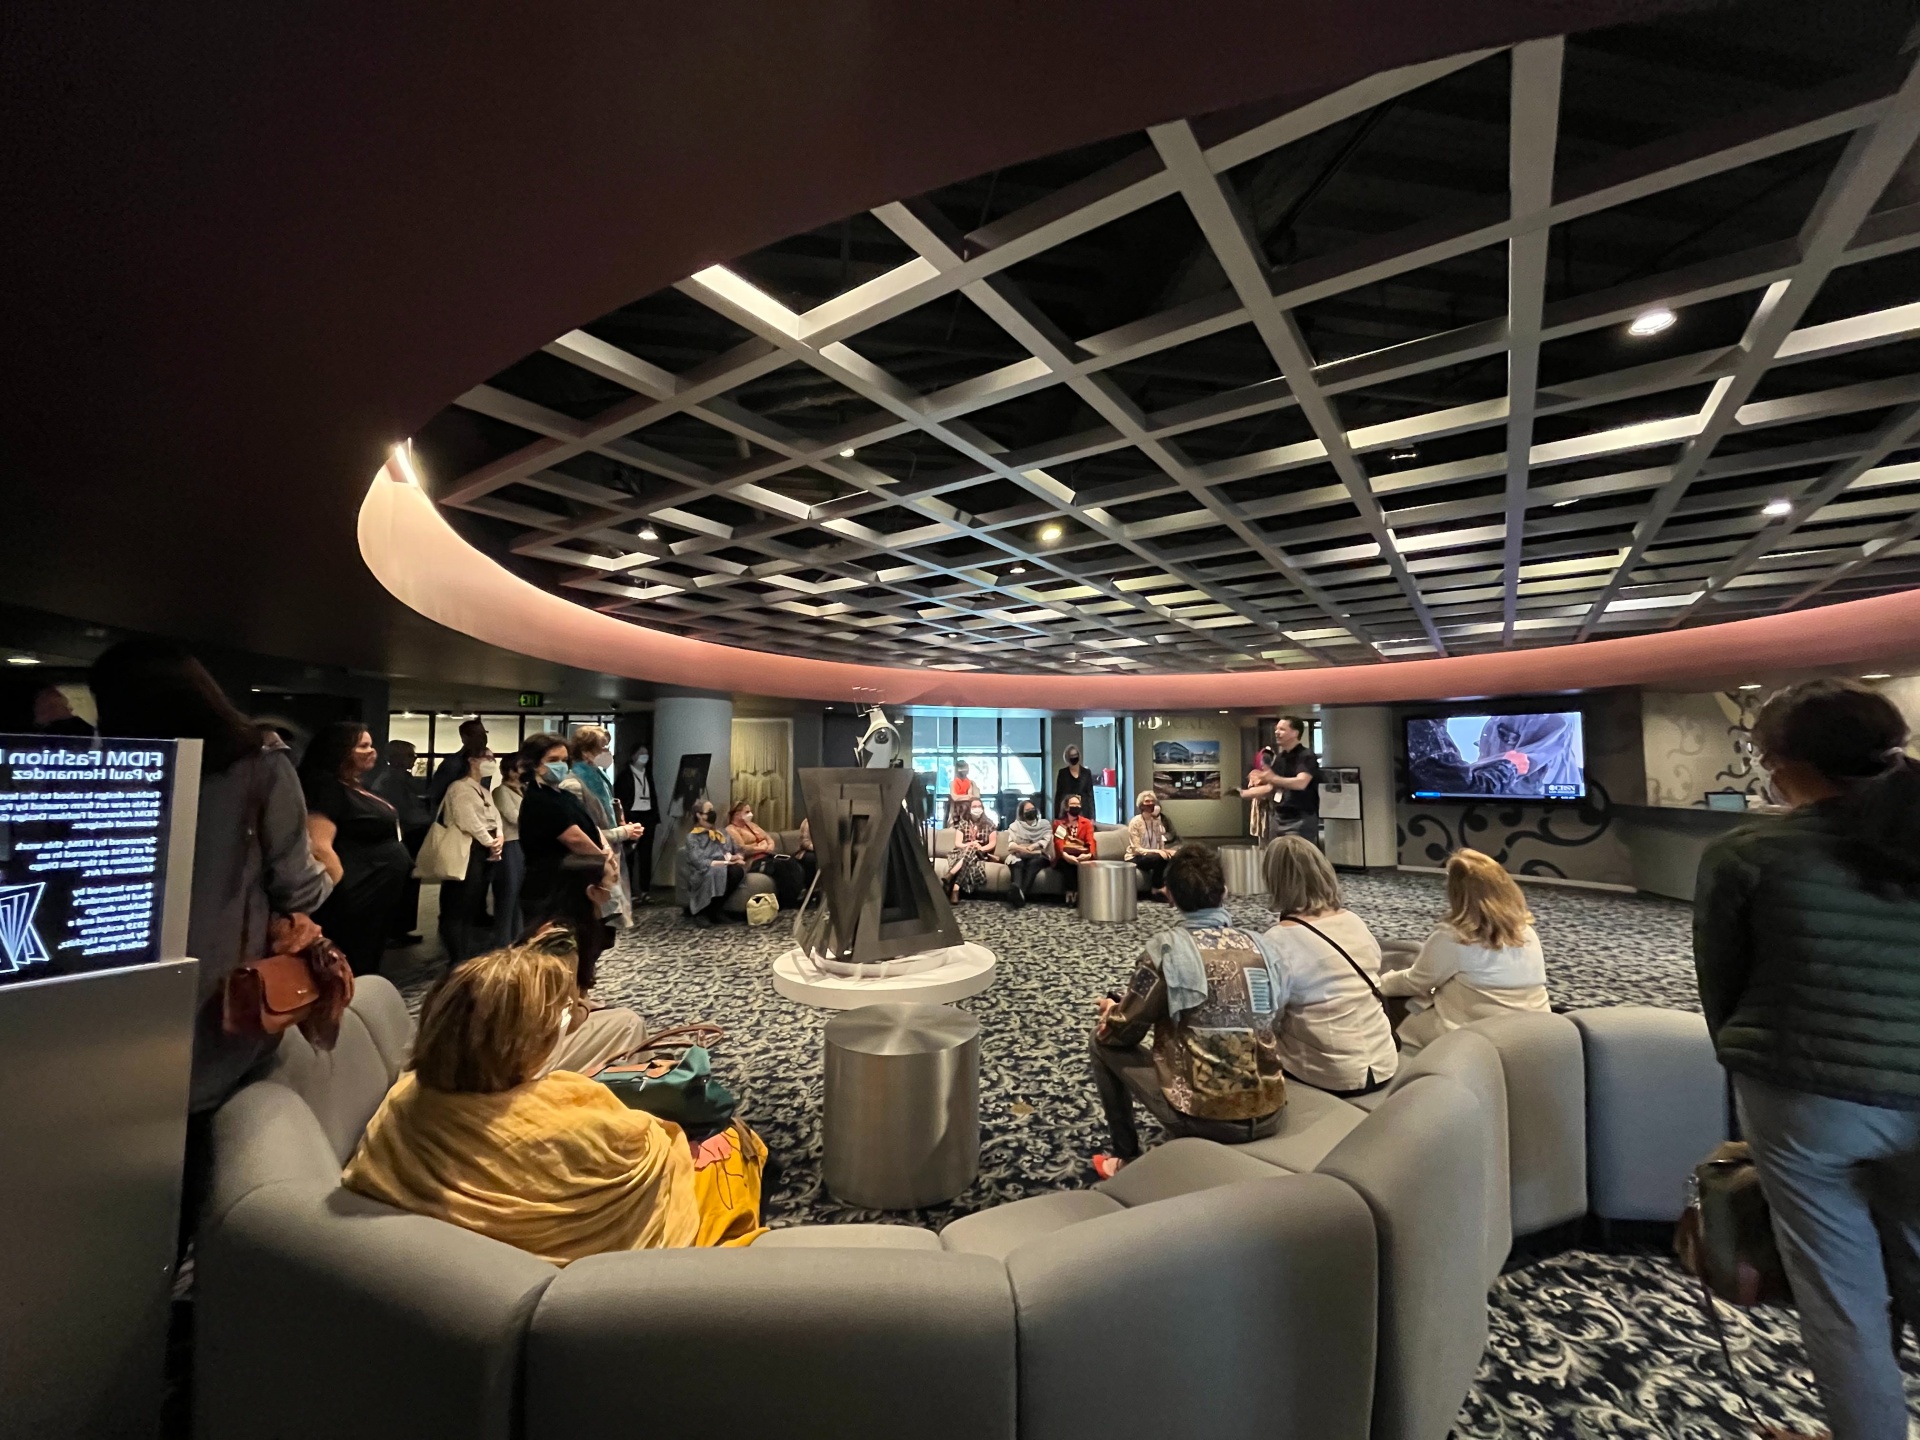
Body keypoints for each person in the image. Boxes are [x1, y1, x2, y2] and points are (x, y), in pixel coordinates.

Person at [1693, 679, 1920, 1440]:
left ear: (1784, 762)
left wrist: (1746, 1059)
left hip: (1804, 1102)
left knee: (1841, 1297)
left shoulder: (1751, 851)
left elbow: (1722, 989)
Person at [90, 639, 332, 1245]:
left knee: (115, 1145)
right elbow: (297, 884)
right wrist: (329, 863)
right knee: (211, 1145)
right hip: (217, 991)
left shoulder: (107, 761)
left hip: (112, 978)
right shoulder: (256, 764)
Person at [341, 940, 764, 1264]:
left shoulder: (405, 1097)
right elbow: (652, 1148)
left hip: (469, 1269)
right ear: (521, 1043)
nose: (574, 1019)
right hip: (595, 1279)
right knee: (728, 1143)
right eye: (564, 1015)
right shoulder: (569, 1121)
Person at [1088, 843, 1290, 1176]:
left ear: (1169, 896)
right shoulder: (1264, 947)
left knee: (1101, 1041)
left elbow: (1125, 1032)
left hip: (1202, 1117)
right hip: (1271, 1108)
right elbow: (1274, 1016)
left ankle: (1124, 1158)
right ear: (1224, 891)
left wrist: (1113, 1011)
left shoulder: (1166, 951)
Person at [1259, 837, 1397, 1097]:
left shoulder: (1277, 940)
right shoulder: (1355, 922)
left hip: (1327, 1071)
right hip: (1384, 1060)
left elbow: (1269, 1013)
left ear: (1274, 881)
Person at [1379, 849, 1550, 1049]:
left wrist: (1381, 982)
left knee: (1393, 1000)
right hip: (1537, 1030)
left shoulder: (1454, 937)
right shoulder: (1526, 931)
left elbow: (1416, 983)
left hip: (1477, 1035)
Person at [299, 721, 413, 976]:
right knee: (350, 965)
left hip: (373, 899)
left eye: (372, 745)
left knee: (366, 961)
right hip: (354, 899)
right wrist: (344, 895)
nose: (372, 751)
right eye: (363, 746)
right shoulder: (326, 787)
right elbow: (319, 847)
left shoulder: (353, 785)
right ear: (341, 750)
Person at [515, 732, 617, 990]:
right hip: (551, 888)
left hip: (578, 883)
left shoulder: (564, 796)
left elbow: (590, 828)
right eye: (552, 759)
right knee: (556, 949)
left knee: (586, 943)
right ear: (535, 764)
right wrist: (602, 860)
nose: (560, 765)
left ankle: (579, 994)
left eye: (563, 759)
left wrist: (606, 854)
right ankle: (558, 1001)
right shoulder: (539, 801)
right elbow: (574, 839)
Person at [562, 726, 642, 929]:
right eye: (602, 748)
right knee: (596, 921)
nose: (607, 753)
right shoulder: (574, 783)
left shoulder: (601, 778)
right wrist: (622, 833)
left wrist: (622, 824)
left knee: (610, 922)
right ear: (586, 752)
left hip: (611, 856)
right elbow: (582, 831)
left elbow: (607, 817)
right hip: (592, 861)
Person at [440, 748, 504, 962]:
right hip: (468, 849)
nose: (491, 762)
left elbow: (495, 816)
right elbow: (467, 820)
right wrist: (489, 841)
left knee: (472, 902)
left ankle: (467, 951)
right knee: (458, 904)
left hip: (484, 850)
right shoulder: (459, 787)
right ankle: (457, 956)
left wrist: (499, 837)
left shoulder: (483, 790)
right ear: (472, 760)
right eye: (487, 758)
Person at [368, 739, 430, 945]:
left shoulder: (399, 779)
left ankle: (400, 929)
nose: (415, 759)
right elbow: (403, 812)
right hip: (404, 837)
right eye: (410, 755)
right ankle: (394, 931)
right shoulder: (391, 782)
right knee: (402, 886)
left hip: (407, 835)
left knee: (409, 885)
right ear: (396, 758)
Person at [1239, 717, 1322, 845]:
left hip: (1300, 818)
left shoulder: (1305, 755)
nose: (1277, 732)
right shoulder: (1280, 758)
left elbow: (1301, 783)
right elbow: (1271, 787)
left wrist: (1271, 777)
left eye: (1282, 729)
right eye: (1276, 729)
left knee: (1297, 858)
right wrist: (1244, 793)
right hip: (1279, 817)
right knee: (1277, 857)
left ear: (1295, 733)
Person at [726, 799, 804, 910]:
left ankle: (797, 895)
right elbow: (742, 849)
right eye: (747, 812)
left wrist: (769, 846)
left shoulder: (751, 825)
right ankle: (787, 902)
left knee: (789, 861)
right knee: (778, 866)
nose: (750, 814)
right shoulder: (731, 830)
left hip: (767, 854)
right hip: (752, 861)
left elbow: (768, 838)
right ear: (737, 814)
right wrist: (760, 848)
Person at [680, 799, 746, 927]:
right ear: (699, 815)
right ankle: (702, 913)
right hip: (704, 870)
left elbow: (736, 849)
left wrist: (737, 857)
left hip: (723, 867)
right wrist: (719, 863)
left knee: (737, 872)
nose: (713, 814)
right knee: (713, 872)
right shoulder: (692, 837)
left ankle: (715, 910)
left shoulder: (721, 833)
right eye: (709, 811)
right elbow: (698, 861)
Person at [613, 740, 659, 904]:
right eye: (640, 754)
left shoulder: (648, 773)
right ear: (633, 756)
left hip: (648, 816)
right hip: (632, 816)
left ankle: (645, 891)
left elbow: (653, 796)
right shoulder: (624, 775)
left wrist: (655, 816)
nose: (644, 757)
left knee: (646, 855)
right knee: (630, 856)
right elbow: (619, 797)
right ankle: (630, 892)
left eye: (646, 754)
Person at [490, 754, 526, 947]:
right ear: (511, 771)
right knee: (508, 893)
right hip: (510, 843)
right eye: (520, 767)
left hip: (521, 842)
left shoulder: (522, 790)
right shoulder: (501, 791)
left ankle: (518, 937)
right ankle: (503, 942)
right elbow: (514, 817)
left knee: (519, 894)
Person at [426, 716, 488, 813]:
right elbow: (436, 793)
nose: (482, 738)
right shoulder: (452, 763)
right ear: (464, 738)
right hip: (453, 813)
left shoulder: (485, 763)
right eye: (476, 735)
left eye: (483, 734)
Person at [1124, 790, 1177, 899]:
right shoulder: (1135, 822)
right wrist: (1158, 852)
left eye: (1152, 801)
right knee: (1159, 858)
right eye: (1147, 801)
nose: (1150, 803)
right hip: (1135, 856)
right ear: (1141, 805)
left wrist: (1164, 851)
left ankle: (1167, 888)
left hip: (1151, 854)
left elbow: (1159, 841)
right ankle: (1156, 888)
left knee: (1172, 857)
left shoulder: (1156, 821)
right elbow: (1136, 848)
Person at [944, 797, 997, 903]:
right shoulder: (963, 823)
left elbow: (992, 843)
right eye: (974, 806)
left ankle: (951, 875)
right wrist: (970, 845)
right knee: (971, 848)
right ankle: (956, 889)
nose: (977, 808)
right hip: (961, 852)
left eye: (979, 806)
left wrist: (981, 848)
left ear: (983, 808)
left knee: (974, 849)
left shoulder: (989, 824)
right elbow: (958, 843)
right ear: (969, 809)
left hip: (980, 854)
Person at [1051, 791, 1096, 904]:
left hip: (1081, 854)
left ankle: (1074, 894)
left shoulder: (1086, 823)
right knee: (1068, 864)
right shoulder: (1059, 823)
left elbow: (1090, 840)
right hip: (1063, 856)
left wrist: (1089, 854)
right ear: (1066, 807)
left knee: (1077, 863)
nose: (1076, 807)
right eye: (1073, 804)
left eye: (1078, 804)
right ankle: (1071, 893)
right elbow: (1058, 842)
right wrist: (1065, 855)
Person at [1004, 800, 1050, 908]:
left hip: (1038, 855)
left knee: (1033, 863)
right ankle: (1017, 889)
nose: (1031, 811)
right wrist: (1022, 849)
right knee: (1017, 863)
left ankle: (1020, 894)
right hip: (1020, 854)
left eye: (1032, 809)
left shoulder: (1044, 824)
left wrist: (1032, 847)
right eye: (1027, 810)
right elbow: (1011, 845)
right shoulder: (1015, 826)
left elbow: (1045, 841)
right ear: (1021, 813)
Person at [1053, 744, 1096, 820]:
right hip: (1067, 810)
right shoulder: (1062, 773)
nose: (1074, 757)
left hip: (1084, 810)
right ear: (1067, 758)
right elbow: (1058, 795)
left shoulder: (1086, 773)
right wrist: (1056, 816)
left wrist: (1092, 817)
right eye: (1071, 756)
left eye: (1075, 755)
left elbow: (1090, 796)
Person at [946, 758, 977, 827]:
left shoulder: (969, 783)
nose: (964, 771)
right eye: (961, 768)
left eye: (965, 768)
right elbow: (954, 798)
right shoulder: (953, 783)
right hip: (955, 806)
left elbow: (970, 796)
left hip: (966, 806)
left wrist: (959, 797)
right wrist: (965, 797)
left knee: (967, 806)